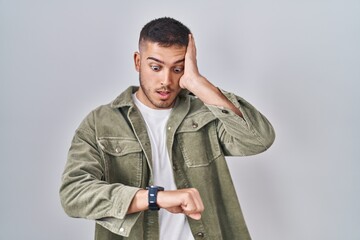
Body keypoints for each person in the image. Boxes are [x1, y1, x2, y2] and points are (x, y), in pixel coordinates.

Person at [60, 17, 275, 240]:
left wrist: (199, 84)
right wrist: (154, 198)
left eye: (178, 69)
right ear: (137, 61)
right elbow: (73, 194)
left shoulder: (204, 113)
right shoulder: (100, 122)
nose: (166, 80)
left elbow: (258, 140)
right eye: (155, 67)